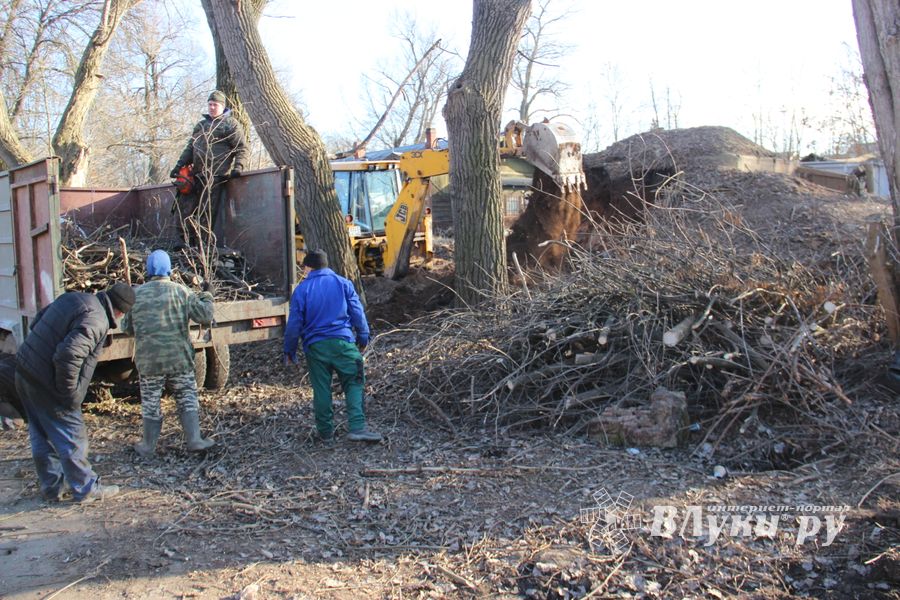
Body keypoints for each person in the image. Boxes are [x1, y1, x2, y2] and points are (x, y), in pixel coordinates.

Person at [15, 283, 135, 502]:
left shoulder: (73, 298)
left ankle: (52, 488)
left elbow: (37, 321)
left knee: (41, 433)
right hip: (47, 380)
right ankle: (86, 488)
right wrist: (69, 393)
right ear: (120, 312)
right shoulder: (97, 319)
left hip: (24, 368)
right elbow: (68, 355)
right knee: (72, 434)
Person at [123, 250, 215, 457]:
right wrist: (207, 295)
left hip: (149, 362)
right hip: (178, 359)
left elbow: (126, 328)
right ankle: (194, 440)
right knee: (186, 397)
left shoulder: (135, 295)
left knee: (151, 402)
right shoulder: (181, 291)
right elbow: (205, 316)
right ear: (169, 269)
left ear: (147, 270)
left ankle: (148, 446)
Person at [283, 250, 381, 442]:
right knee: (353, 382)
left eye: (304, 267)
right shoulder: (343, 283)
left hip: (316, 347)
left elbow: (294, 324)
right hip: (343, 343)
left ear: (308, 267)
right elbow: (357, 313)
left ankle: (326, 433)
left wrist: (289, 350)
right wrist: (363, 337)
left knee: (322, 389)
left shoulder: (301, 290)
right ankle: (357, 427)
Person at [170, 90, 248, 242]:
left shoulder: (229, 124)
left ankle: (203, 247)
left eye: (215, 105)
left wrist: (238, 167)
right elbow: (190, 148)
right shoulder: (201, 125)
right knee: (185, 209)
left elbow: (241, 148)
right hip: (195, 176)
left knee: (207, 213)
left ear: (222, 106)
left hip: (215, 176)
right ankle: (185, 244)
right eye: (210, 104)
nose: (212, 107)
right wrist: (178, 167)